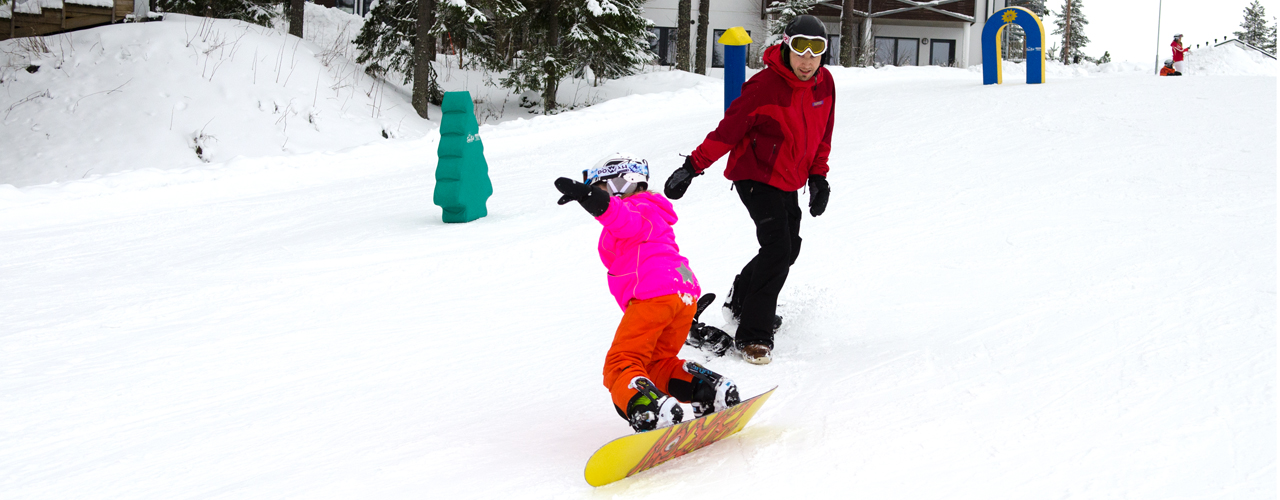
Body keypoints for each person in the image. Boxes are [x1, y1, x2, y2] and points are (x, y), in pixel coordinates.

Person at [663, 14, 835, 365]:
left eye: (816, 50)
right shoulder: (764, 86)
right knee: (777, 247)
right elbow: (728, 132)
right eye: (800, 49)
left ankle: (741, 298)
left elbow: (823, 134)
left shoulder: (825, 84)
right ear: (786, 47)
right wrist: (692, 167)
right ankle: (754, 335)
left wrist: (818, 177)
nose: (807, 59)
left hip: (789, 177)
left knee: (790, 248)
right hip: (755, 175)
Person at [554, 154, 741, 433]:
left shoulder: (633, 209)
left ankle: (649, 409)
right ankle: (709, 389)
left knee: (620, 364)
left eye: (600, 187)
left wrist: (589, 198)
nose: (599, 193)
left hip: (654, 293)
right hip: (682, 292)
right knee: (657, 364)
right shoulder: (654, 210)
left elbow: (619, 217)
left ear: (620, 184)